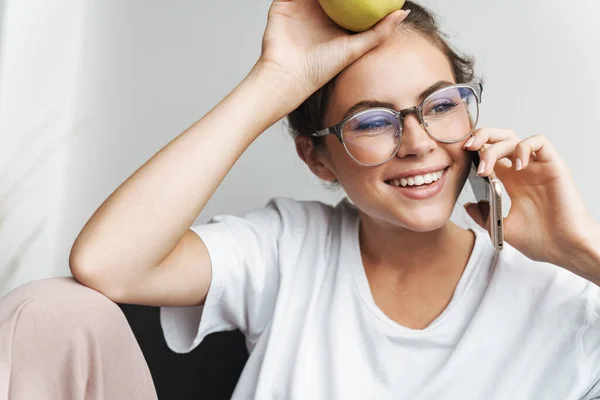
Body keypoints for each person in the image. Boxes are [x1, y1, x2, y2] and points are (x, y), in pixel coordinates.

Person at [1, 0, 600, 399]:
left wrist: (580, 251)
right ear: (317, 156)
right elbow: (108, 264)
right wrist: (277, 80)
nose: (418, 143)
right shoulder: (291, 248)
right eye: (372, 121)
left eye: (441, 105)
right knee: (55, 309)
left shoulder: (567, 293)